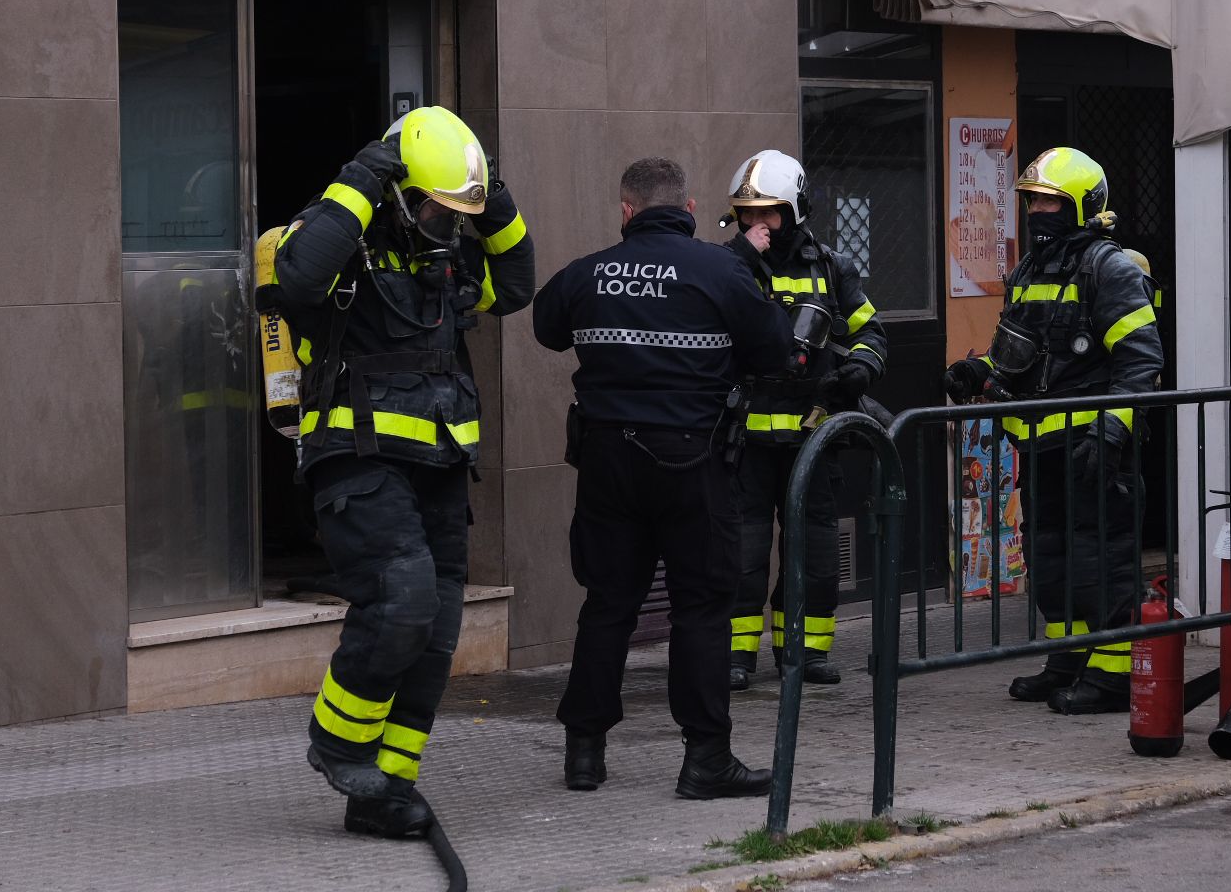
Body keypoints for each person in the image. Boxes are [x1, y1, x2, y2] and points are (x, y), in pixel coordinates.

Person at [274, 106, 535, 836]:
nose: (443, 224)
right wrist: (360, 179)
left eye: (454, 213)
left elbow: (515, 285)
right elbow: (294, 282)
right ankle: (336, 740)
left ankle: (384, 790)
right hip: (357, 460)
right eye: (432, 206)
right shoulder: (340, 246)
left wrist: (491, 194)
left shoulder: (444, 263)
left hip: (441, 466)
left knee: (437, 628)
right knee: (402, 601)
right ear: (395, 190)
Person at [532, 157, 792, 798]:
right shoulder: (720, 269)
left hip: (605, 462)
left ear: (626, 210)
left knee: (608, 605)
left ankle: (584, 755)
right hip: (691, 462)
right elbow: (776, 354)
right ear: (691, 208)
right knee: (701, 610)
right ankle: (705, 759)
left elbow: (545, 328)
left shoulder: (587, 272)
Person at [943, 147, 1162, 715]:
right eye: (1033, 201)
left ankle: (1115, 676)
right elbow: (1014, 355)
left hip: (1094, 449)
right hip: (1040, 446)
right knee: (1051, 562)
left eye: (1049, 201)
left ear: (1082, 207)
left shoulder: (1109, 268)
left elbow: (1141, 362)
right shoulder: (1028, 272)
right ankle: (1069, 658)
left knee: (1101, 563)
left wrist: (1112, 434)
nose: (1037, 211)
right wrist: (977, 370)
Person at [721, 150, 888, 690]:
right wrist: (740, 259)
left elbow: (871, 333)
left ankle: (806, 652)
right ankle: (736, 657)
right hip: (745, 440)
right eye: (747, 214)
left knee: (815, 553)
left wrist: (860, 368)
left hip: (812, 436)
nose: (756, 224)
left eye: (768, 213)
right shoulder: (729, 266)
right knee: (742, 555)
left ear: (794, 210)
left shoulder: (832, 268)